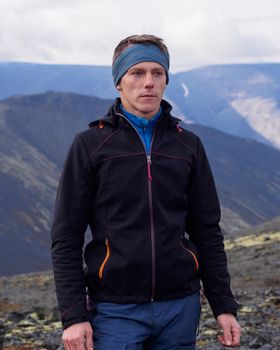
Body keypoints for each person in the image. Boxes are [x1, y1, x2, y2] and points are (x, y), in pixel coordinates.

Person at [51, 34, 241, 350]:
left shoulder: (187, 146)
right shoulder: (90, 145)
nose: (148, 82)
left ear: (167, 80)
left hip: (180, 307)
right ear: (119, 82)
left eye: (157, 73)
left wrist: (224, 307)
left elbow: (207, 231)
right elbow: (66, 236)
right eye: (137, 73)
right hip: (115, 309)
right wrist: (73, 316)